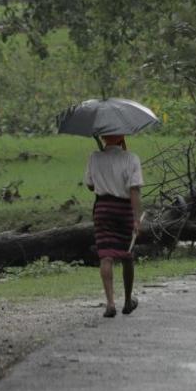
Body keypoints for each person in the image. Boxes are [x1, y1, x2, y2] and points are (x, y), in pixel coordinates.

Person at [85, 132, 143, 316]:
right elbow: (134, 190)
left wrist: (104, 175)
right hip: (123, 210)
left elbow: (90, 185)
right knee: (127, 256)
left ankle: (110, 303)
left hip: (102, 209)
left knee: (106, 256)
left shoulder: (95, 157)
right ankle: (127, 300)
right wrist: (136, 218)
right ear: (122, 137)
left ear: (102, 137)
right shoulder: (131, 158)